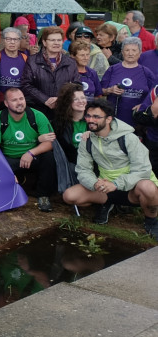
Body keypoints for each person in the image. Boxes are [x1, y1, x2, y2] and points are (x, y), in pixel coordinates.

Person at [64, 99, 158, 237]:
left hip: (133, 188)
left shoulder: (128, 138)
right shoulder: (87, 139)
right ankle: (109, 204)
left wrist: (116, 184)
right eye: (88, 116)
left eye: (96, 117)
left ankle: (151, 220)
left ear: (108, 119)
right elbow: (83, 169)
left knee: (147, 187)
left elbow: (142, 170)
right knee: (69, 196)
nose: (91, 120)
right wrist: (94, 183)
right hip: (106, 187)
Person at [0, 88, 57, 212]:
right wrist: (6, 170)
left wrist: (30, 153)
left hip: (32, 156)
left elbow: (50, 143)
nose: (19, 102)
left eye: (21, 98)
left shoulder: (37, 116)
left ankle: (43, 196)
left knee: (48, 158)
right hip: (9, 158)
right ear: (6, 104)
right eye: (14, 100)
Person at [21, 26, 79, 118]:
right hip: (38, 111)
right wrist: (45, 99)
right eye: (52, 40)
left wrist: (60, 99)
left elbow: (77, 85)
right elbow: (26, 85)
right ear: (44, 42)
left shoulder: (70, 62)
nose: (56, 43)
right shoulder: (32, 61)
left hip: (63, 112)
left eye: (59, 40)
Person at [101, 37, 157, 126]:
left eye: (134, 50)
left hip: (137, 122)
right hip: (113, 120)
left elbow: (154, 96)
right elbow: (100, 91)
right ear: (122, 52)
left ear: (140, 53)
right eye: (127, 50)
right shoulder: (112, 70)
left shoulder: (147, 73)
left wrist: (144, 105)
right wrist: (110, 90)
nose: (130, 53)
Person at [50, 83, 88, 192]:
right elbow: (65, 151)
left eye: (83, 98)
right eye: (76, 99)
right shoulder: (59, 124)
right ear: (68, 102)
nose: (81, 101)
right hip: (73, 162)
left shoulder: (94, 120)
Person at [0, 27, 27, 107]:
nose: (12, 42)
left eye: (15, 39)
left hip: (20, 103)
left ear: (20, 41)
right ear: (3, 40)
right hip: (0, 103)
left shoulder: (26, 58)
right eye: (8, 39)